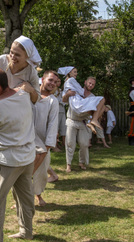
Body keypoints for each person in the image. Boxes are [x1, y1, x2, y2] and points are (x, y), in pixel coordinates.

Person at [0, 68, 36, 242]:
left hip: (8, 160)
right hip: (28, 156)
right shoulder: (23, 95)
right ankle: (26, 231)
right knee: (25, 196)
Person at [31, 70, 59, 206]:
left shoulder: (53, 101)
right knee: (21, 170)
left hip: (42, 141)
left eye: (55, 82)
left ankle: (38, 195)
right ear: (42, 79)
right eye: (50, 80)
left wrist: (48, 146)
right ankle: (19, 199)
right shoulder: (31, 95)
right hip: (25, 139)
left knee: (41, 172)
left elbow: (53, 124)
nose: (52, 83)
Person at [64, 76, 98, 172]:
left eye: (93, 84)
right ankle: (68, 164)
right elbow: (63, 100)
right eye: (89, 83)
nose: (90, 85)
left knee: (84, 144)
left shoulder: (92, 97)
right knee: (70, 143)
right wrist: (67, 94)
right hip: (72, 120)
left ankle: (81, 162)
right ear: (85, 82)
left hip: (83, 122)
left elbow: (93, 111)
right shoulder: (76, 91)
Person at [59, 66, 105, 133]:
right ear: (69, 73)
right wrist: (71, 93)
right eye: (74, 72)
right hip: (77, 104)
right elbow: (81, 92)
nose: (76, 73)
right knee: (102, 99)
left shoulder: (66, 82)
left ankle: (91, 122)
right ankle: (94, 120)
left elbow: (64, 98)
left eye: (93, 84)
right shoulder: (71, 80)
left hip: (76, 107)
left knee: (102, 107)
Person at [53, 76, 67, 152]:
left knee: (63, 127)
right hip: (56, 110)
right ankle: (54, 146)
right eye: (57, 81)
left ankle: (64, 144)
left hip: (62, 110)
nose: (59, 83)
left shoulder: (61, 91)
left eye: (60, 82)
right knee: (55, 129)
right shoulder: (52, 91)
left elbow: (64, 101)